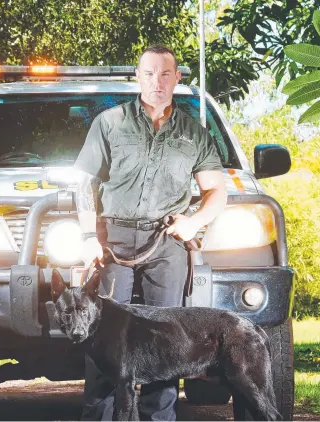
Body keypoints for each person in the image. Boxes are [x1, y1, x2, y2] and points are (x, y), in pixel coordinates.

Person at [73, 44, 227, 421]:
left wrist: (193, 222)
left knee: (166, 341)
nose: (156, 81)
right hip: (113, 243)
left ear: (177, 78)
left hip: (166, 244)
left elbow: (216, 190)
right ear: (137, 78)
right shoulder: (109, 124)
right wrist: (89, 236)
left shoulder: (194, 133)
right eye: (148, 73)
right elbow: (82, 183)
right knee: (104, 336)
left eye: (164, 74)